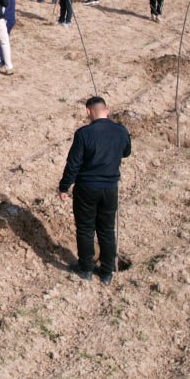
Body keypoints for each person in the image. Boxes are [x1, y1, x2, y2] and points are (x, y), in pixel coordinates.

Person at [58, 96, 132, 285]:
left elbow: (73, 163)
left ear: (88, 112)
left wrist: (64, 187)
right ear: (107, 110)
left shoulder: (83, 134)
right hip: (110, 188)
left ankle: (86, 268)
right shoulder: (121, 131)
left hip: (87, 188)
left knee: (85, 229)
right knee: (107, 230)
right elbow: (126, 152)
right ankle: (107, 273)